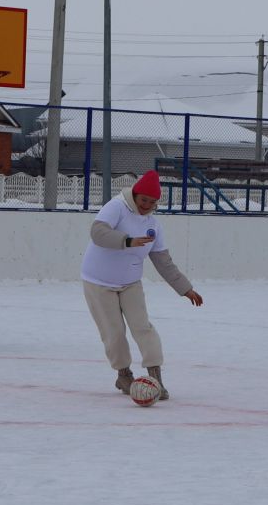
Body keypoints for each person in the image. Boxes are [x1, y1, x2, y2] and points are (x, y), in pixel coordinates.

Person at [81, 170, 203, 400]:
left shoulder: (153, 226)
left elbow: (163, 262)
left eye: (152, 202)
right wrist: (127, 241)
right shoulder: (117, 206)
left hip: (130, 283)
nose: (146, 205)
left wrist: (185, 288)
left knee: (142, 327)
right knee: (114, 332)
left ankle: (155, 376)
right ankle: (123, 374)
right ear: (135, 195)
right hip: (98, 282)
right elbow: (97, 233)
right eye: (143, 199)